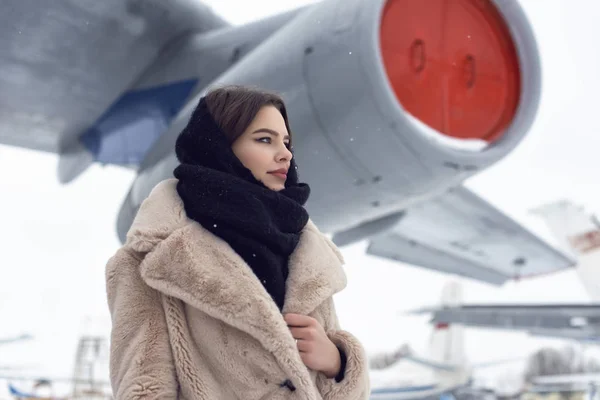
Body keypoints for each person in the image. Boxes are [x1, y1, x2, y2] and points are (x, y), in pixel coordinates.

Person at [106, 85, 370, 399]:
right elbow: (144, 389)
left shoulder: (305, 252)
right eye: (264, 139)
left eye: (286, 141)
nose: (285, 153)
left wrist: (336, 363)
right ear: (221, 147)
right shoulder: (152, 260)